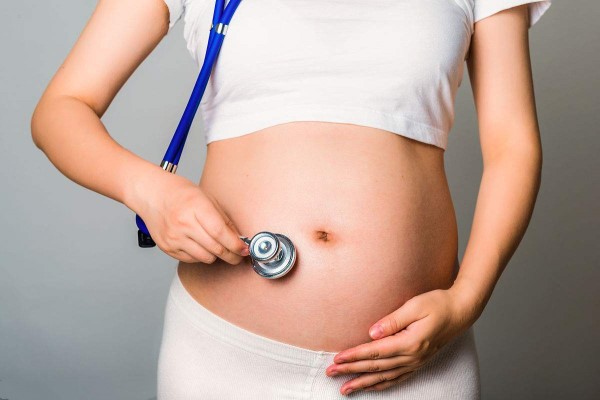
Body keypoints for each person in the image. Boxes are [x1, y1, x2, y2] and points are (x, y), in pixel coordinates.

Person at [30, 0, 552, 398]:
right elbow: (61, 109)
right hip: (224, 361)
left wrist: (466, 301)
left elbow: (513, 146)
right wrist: (149, 190)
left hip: (417, 366)